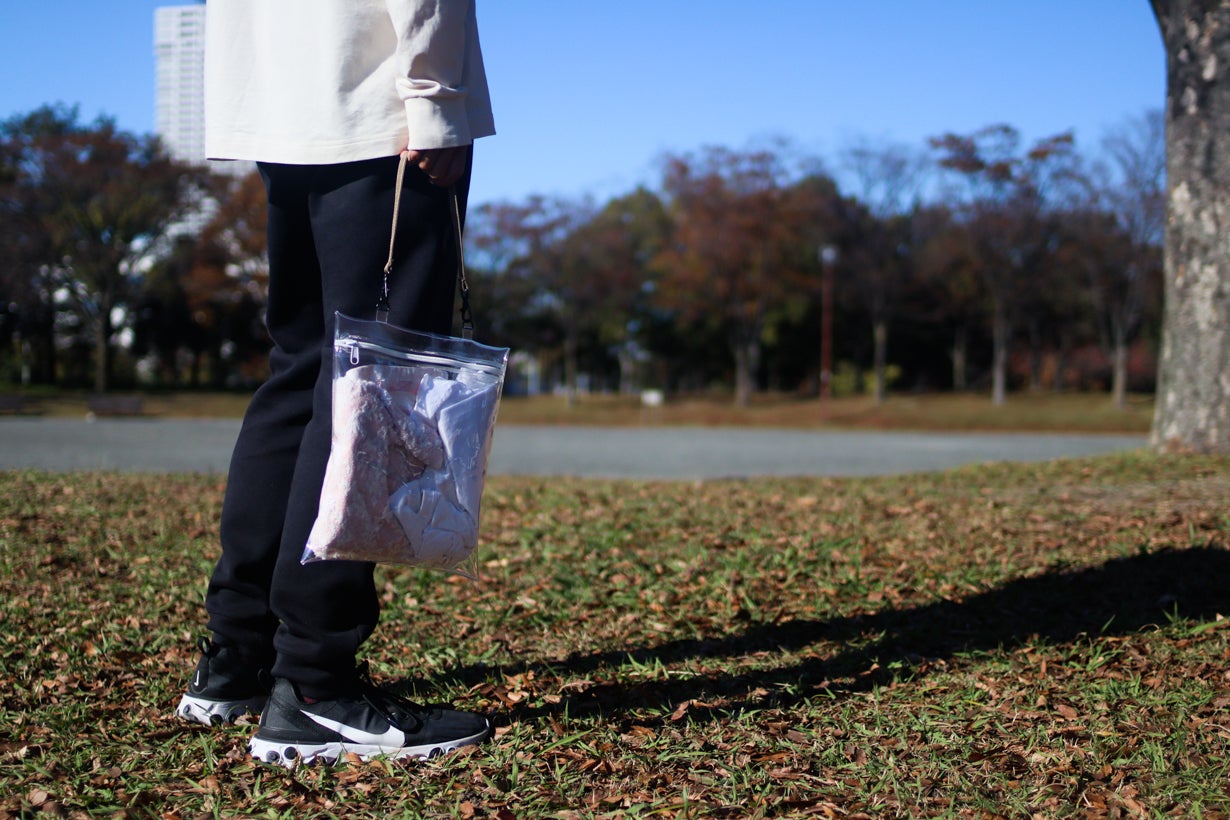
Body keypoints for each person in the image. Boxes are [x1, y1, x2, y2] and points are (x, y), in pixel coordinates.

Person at [175, 0, 496, 767]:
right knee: (368, 386)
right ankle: (315, 685)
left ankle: (238, 655)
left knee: (303, 371)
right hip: (382, 108)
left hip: (285, 106)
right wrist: (436, 99)